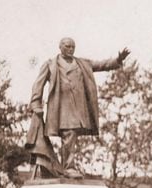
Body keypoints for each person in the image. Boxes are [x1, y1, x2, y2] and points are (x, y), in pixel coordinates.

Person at [28, 37, 130, 178]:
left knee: (71, 134)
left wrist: (117, 60)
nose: (70, 49)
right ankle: (68, 167)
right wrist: (35, 103)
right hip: (60, 108)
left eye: (73, 47)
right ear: (60, 47)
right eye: (67, 46)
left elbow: (101, 65)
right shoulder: (51, 64)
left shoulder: (82, 63)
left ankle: (68, 167)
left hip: (78, 107)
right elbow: (38, 84)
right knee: (69, 134)